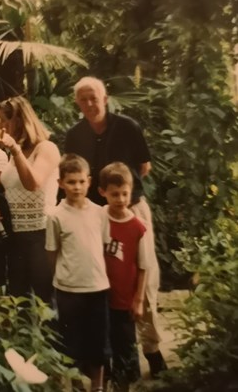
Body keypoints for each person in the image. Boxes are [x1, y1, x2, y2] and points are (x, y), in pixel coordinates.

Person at [65, 76, 167, 377]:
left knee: (144, 281)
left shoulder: (127, 127)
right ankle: (116, 357)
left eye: (94, 97)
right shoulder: (75, 135)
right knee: (107, 281)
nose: (89, 103)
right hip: (96, 214)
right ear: (77, 103)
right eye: (83, 99)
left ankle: (152, 350)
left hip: (132, 209)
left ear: (105, 97)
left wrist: (123, 200)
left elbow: (143, 168)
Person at [45, 154, 110, 392]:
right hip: (68, 289)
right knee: (70, 342)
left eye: (81, 181)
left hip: (97, 286)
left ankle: (98, 386)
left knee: (98, 341)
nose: (77, 187)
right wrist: (64, 276)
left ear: (89, 181)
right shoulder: (55, 215)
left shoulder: (100, 213)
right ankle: (74, 385)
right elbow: (52, 253)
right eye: (71, 182)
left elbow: (102, 246)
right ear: (61, 183)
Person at [0, 96, 61, 303]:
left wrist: (14, 150)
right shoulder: (14, 153)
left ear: (21, 120)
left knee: (44, 300)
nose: (1, 127)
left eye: (5, 120)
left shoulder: (46, 148)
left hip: (41, 233)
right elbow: (10, 191)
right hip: (17, 234)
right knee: (18, 300)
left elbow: (34, 183)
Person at [99, 162, 148, 392]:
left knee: (124, 347)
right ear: (103, 192)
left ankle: (123, 388)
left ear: (131, 191)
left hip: (124, 298)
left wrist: (138, 300)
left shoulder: (138, 227)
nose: (120, 199)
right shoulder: (98, 218)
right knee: (101, 346)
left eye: (124, 194)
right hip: (99, 295)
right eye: (114, 194)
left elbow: (143, 266)